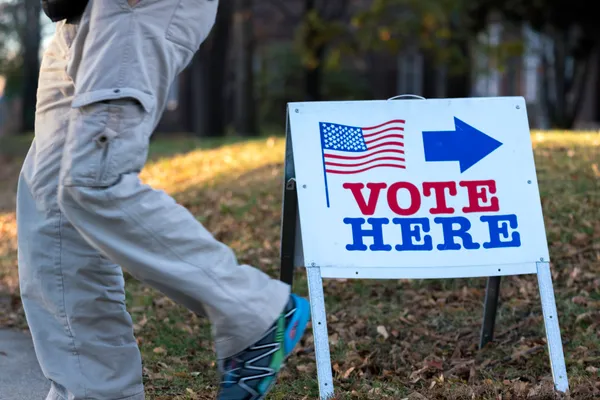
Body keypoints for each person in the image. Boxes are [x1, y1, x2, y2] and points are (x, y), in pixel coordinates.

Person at [17, 1, 311, 399]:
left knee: (95, 178)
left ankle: (255, 310)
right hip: (72, 16)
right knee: (52, 221)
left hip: (129, 9)